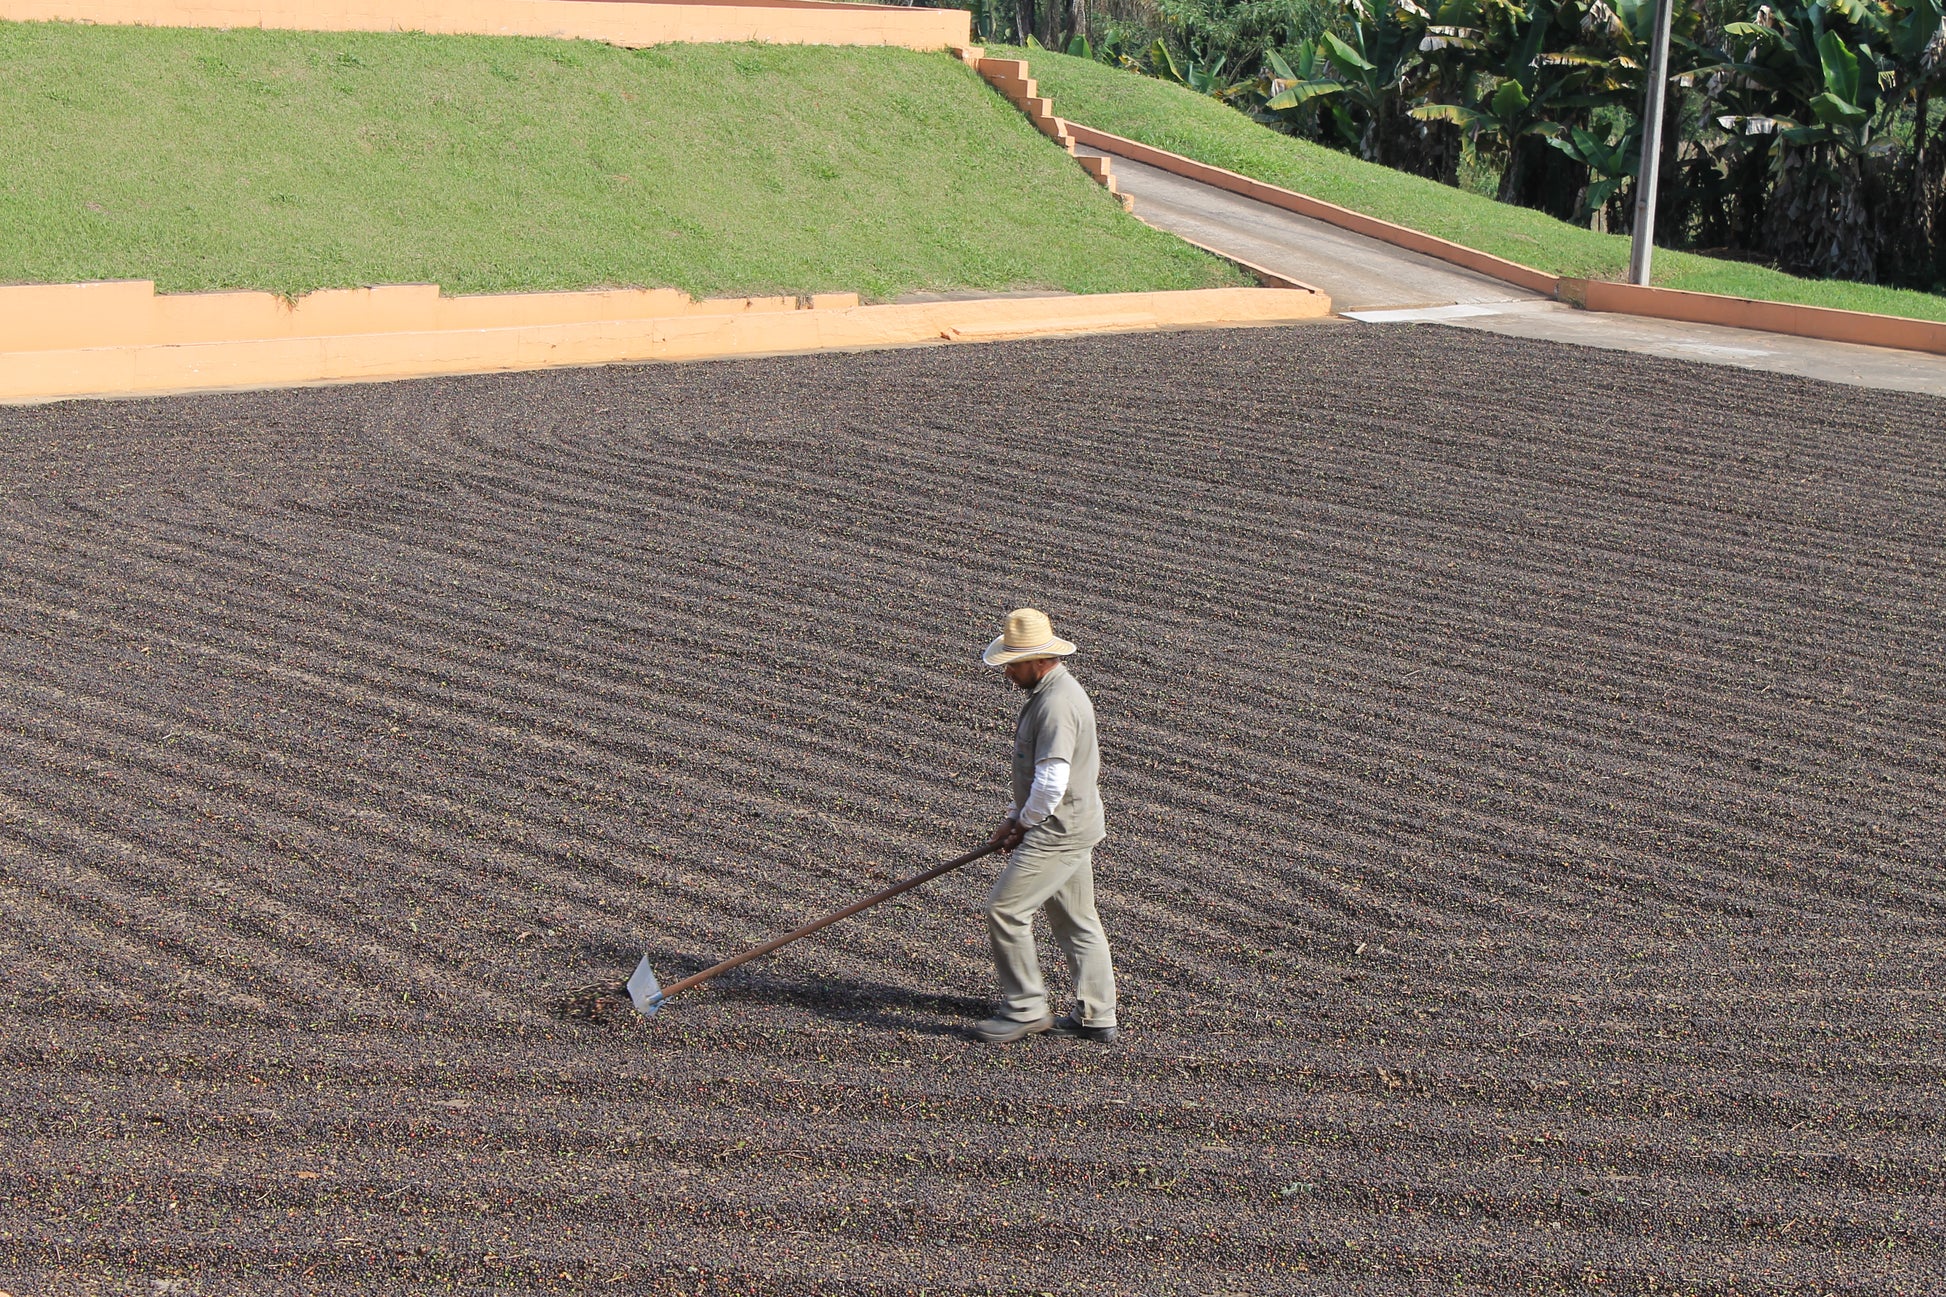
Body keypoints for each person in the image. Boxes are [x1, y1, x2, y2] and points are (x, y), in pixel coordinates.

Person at [975, 608, 1119, 1044]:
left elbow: (1052, 781)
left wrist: (1023, 824)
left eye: (1013, 664)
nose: (1007, 673)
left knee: (1005, 909)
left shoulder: (1056, 705)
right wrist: (1011, 817)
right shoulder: (1052, 694)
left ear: (1039, 660)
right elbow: (1037, 776)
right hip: (1073, 824)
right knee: (1077, 919)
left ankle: (1025, 1008)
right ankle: (1097, 1016)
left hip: (1058, 830)